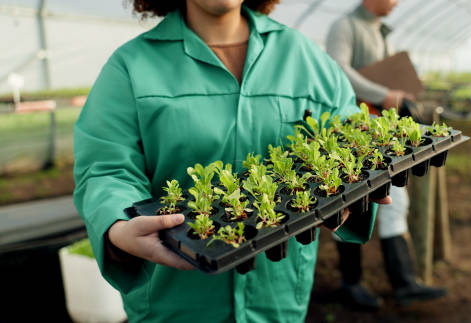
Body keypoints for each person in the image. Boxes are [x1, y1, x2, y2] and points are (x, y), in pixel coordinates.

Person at [72, 1, 391, 322]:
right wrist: (117, 225)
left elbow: (351, 139)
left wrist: (350, 191)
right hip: (175, 303)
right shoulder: (132, 66)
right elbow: (107, 167)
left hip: (278, 301)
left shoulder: (305, 58)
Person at [326, 0, 446, 310]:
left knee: (394, 199)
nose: (396, 2)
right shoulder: (345, 26)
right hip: (353, 129)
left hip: (382, 129)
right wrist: (385, 95)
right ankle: (350, 283)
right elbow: (337, 70)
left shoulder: (380, 30)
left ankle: (403, 279)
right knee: (350, 200)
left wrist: (397, 95)